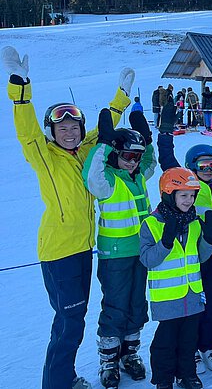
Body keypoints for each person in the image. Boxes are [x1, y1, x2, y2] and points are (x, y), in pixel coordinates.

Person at [1, 46, 132, 389]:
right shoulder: (44, 156)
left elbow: (105, 128)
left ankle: (65, 377)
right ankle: (56, 383)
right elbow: (26, 131)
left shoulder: (84, 151)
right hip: (59, 252)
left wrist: (121, 99)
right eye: (62, 128)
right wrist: (20, 89)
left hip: (83, 249)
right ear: (51, 132)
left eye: (74, 126)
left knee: (74, 319)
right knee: (69, 321)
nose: (70, 132)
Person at [82, 109, 156, 388]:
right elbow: (91, 172)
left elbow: (150, 161)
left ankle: (130, 354)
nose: (133, 162)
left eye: (136, 157)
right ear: (115, 155)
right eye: (127, 156)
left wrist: (146, 140)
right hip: (115, 255)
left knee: (137, 305)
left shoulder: (138, 176)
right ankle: (109, 361)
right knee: (115, 306)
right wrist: (103, 142)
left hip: (141, 252)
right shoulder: (108, 181)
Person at [155, 103, 212, 374]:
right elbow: (166, 160)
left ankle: (208, 345)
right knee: (193, 304)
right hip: (190, 253)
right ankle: (192, 348)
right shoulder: (186, 184)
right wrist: (165, 132)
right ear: (192, 168)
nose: (208, 169)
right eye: (202, 165)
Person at [139, 167, 212, 389]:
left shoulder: (193, 223)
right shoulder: (151, 224)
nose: (189, 200)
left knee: (188, 340)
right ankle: (163, 379)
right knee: (165, 341)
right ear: (168, 194)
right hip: (168, 296)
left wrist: (209, 238)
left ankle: (187, 374)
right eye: (183, 195)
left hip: (192, 294)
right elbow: (147, 259)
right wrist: (165, 242)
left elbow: (200, 256)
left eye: (192, 195)